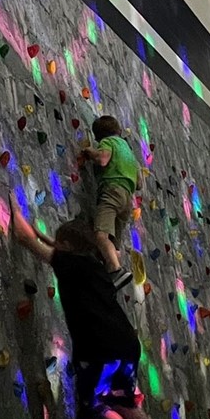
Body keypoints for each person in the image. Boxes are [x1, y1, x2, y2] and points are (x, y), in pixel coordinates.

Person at [10, 203, 158, 419]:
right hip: (126, 344)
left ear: (67, 246)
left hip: (100, 347)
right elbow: (63, 248)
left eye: (59, 242)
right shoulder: (94, 265)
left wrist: (14, 207)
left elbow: (25, 239)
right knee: (126, 402)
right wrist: (49, 238)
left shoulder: (68, 264)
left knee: (94, 403)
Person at [77, 115, 138, 291]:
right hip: (127, 198)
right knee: (113, 243)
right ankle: (109, 278)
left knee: (101, 235)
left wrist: (89, 151)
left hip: (112, 191)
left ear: (100, 135)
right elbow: (139, 182)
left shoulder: (108, 142)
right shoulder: (128, 152)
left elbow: (103, 159)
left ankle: (116, 270)